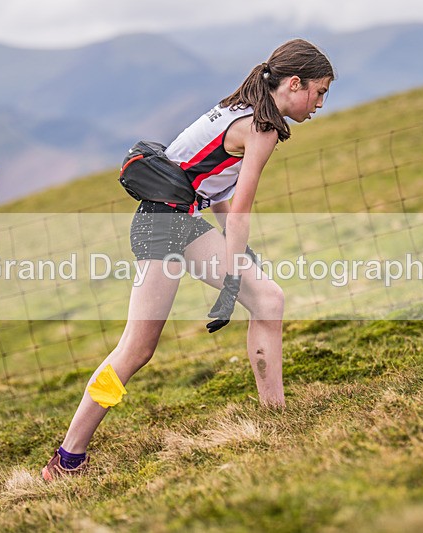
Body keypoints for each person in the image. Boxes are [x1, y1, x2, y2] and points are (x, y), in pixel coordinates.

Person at [42, 39, 334, 480]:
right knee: (136, 350)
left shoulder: (244, 107)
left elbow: (216, 185)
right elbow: (242, 207)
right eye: (320, 91)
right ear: (295, 83)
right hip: (164, 228)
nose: (320, 104)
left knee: (269, 299)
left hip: (177, 221)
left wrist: (238, 260)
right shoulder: (263, 127)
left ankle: (276, 421)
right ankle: (67, 460)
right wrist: (234, 275)